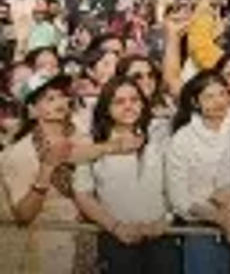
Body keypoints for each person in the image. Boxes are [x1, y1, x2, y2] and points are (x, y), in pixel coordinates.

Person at [72, 75, 177, 274]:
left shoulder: (160, 134)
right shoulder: (93, 144)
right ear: (106, 108)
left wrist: (167, 219)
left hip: (162, 235)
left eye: (134, 99)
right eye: (119, 102)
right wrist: (115, 227)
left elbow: (175, 183)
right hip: (116, 239)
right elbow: (83, 194)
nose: (129, 106)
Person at [0, 72, 86, 274]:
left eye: (63, 95)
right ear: (31, 109)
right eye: (49, 98)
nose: (60, 102)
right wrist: (45, 172)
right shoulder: (19, 153)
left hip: (84, 244)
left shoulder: (83, 137)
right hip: (43, 250)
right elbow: (24, 213)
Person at [167, 70, 230, 274]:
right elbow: (179, 198)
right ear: (195, 102)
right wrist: (218, 216)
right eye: (209, 96)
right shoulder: (183, 139)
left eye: (222, 94)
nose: (218, 101)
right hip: (201, 227)